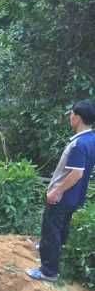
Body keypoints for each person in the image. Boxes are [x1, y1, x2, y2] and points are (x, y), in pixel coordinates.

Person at [27, 100, 95, 281]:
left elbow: (77, 173)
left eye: (72, 114)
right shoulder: (91, 140)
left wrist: (56, 191)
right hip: (76, 196)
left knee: (51, 230)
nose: (70, 117)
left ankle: (48, 271)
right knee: (60, 229)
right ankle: (52, 255)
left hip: (63, 196)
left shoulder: (78, 144)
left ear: (78, 118)